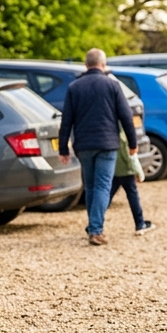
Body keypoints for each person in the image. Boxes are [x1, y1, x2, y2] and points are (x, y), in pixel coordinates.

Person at [58, 49, 138, 245]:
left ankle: (94, 226)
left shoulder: (74, 87)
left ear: (86, 65)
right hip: (108, 144)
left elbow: (66, 120)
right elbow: (126, 117)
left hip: (83, 145)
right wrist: (132, 144)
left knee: (91, 187)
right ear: (103, 65)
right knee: (103, 186)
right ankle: (95, 229)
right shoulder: (113, 85)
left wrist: (63, 148)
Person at [108, 126, 152, 233]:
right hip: (124, 167)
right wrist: (138, 171)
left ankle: (95, 223)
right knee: (132, 193)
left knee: (107, 194)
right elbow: (127, 151)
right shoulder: (121, 127)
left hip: (113, 165)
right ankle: (140, 223)